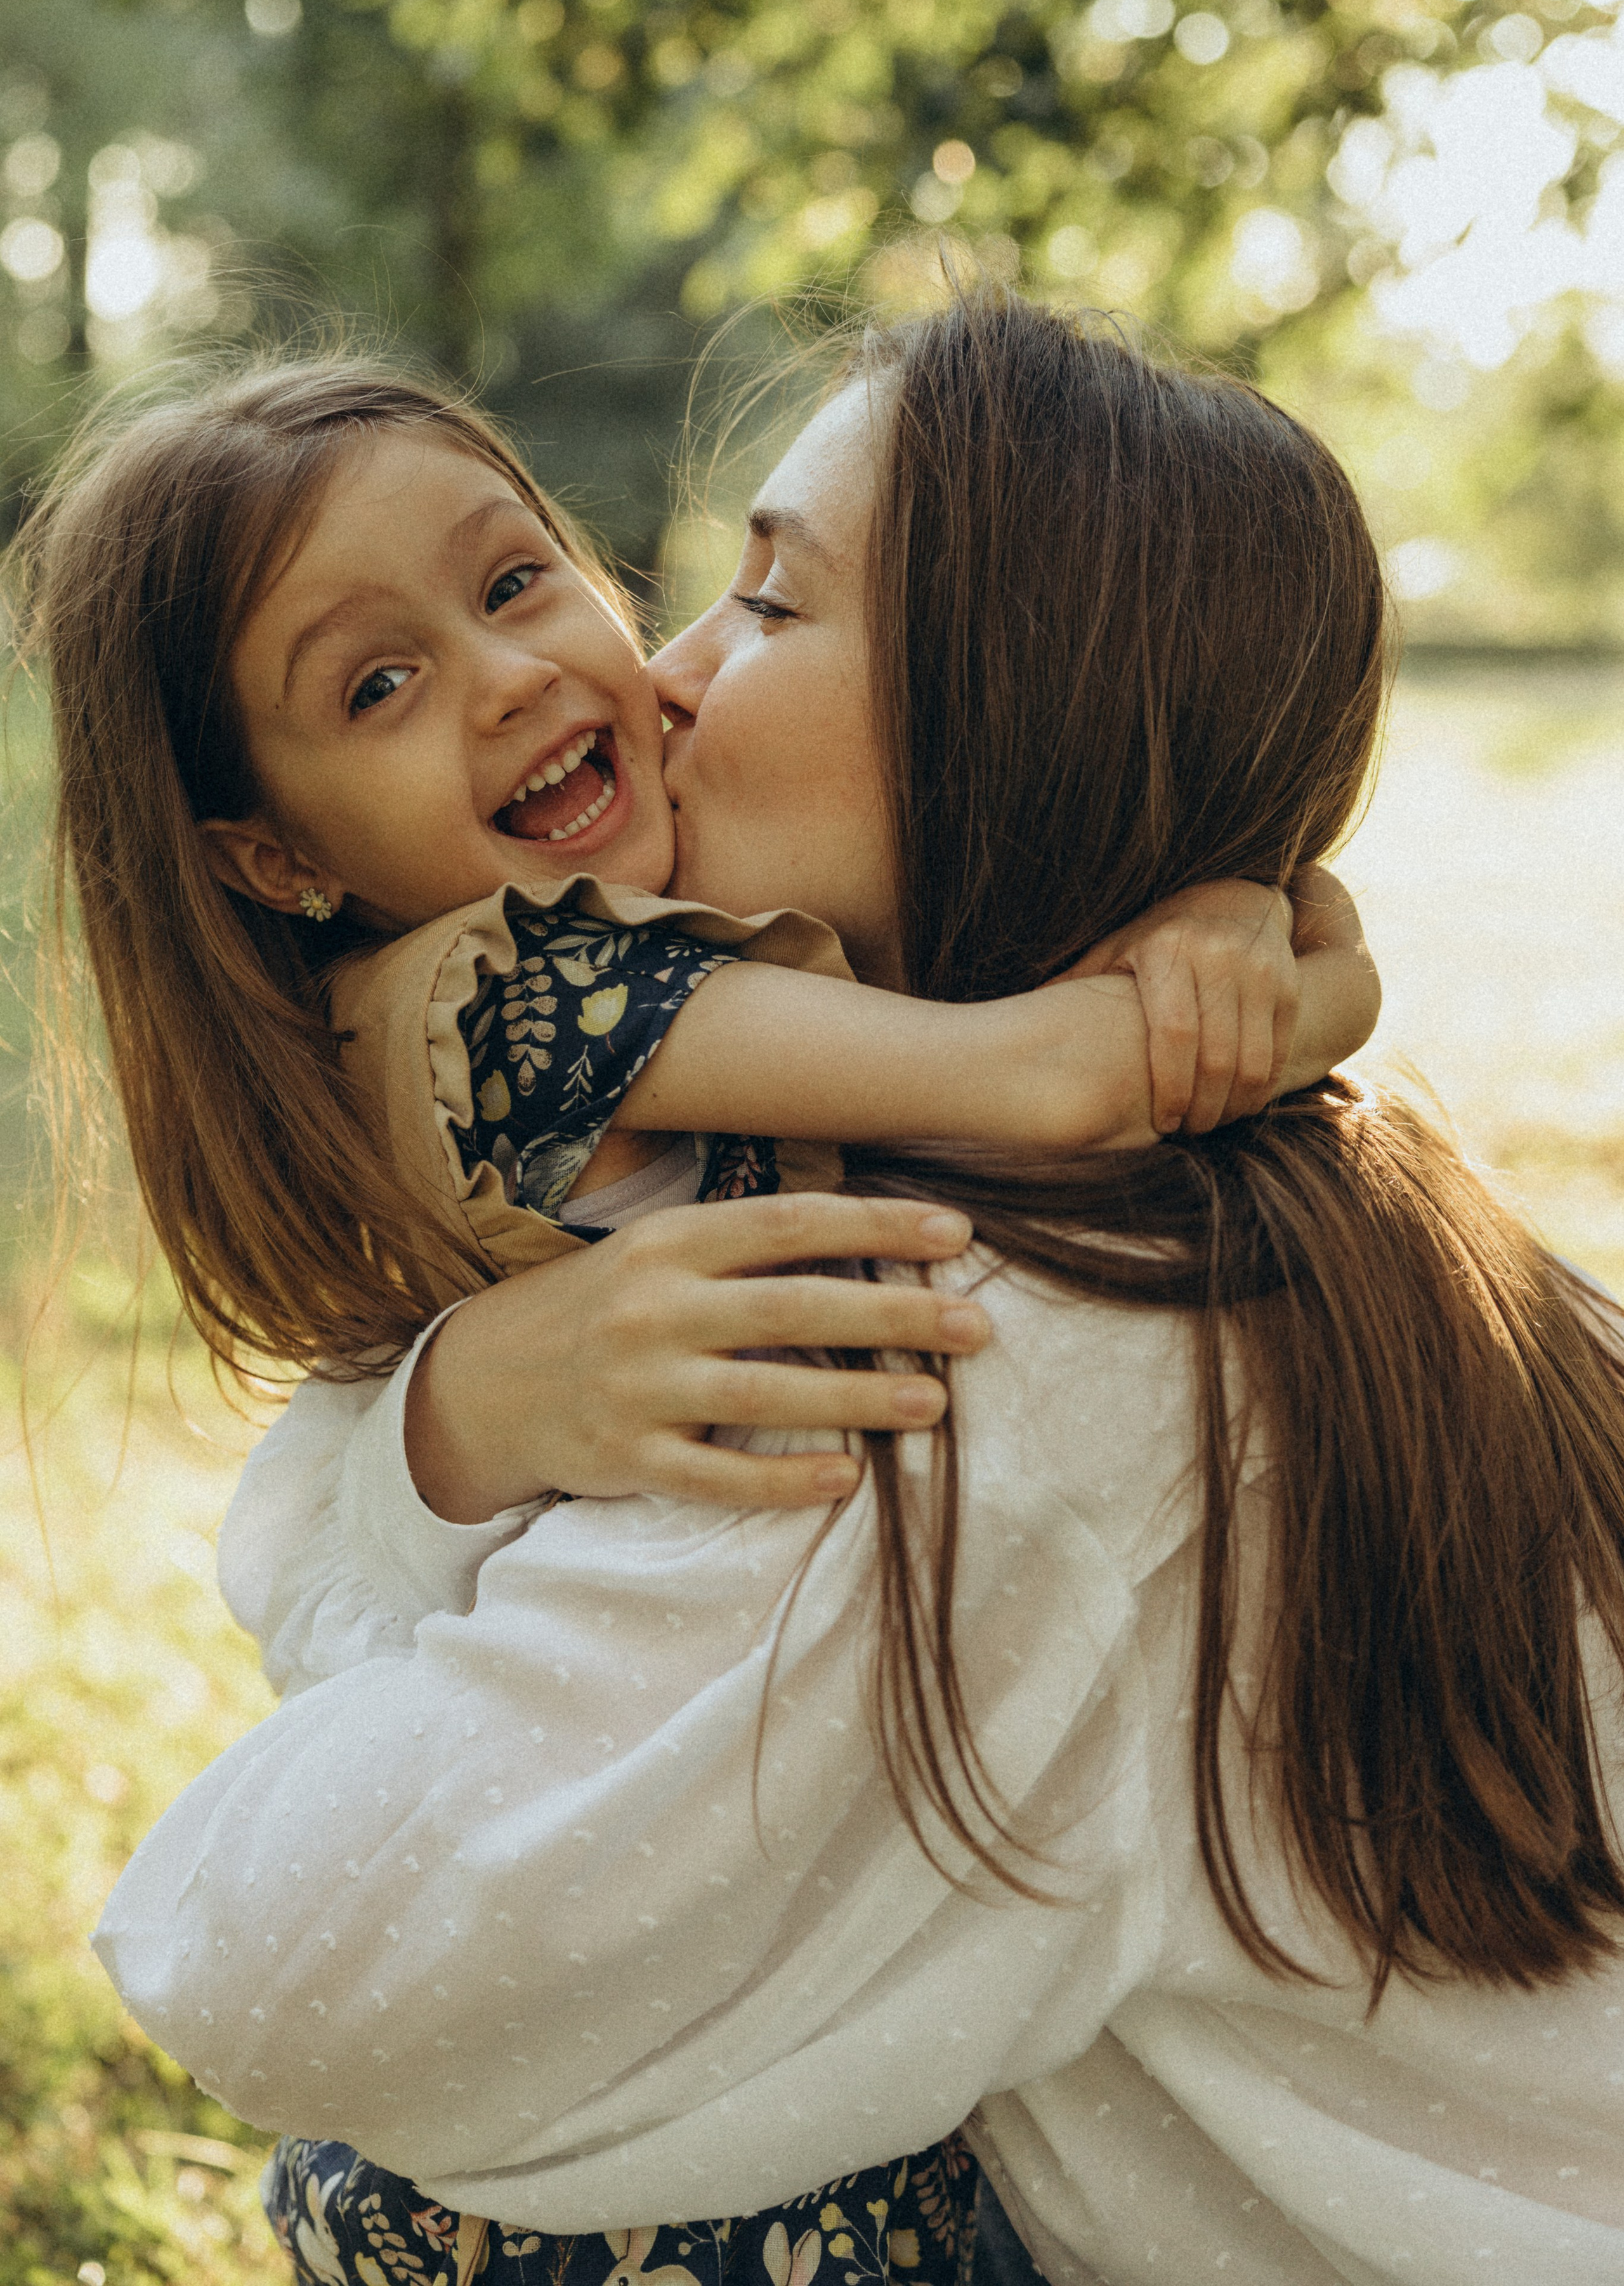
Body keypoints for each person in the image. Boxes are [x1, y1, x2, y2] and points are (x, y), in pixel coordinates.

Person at [98, 292, 1624, 2280]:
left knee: (411, 2205)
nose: (655, 675)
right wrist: (457, 1412)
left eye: (770, 603)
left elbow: (262, 1963)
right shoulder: (1345, 1205)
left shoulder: (960, 1355)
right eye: (381, 683)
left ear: (1006, 713)